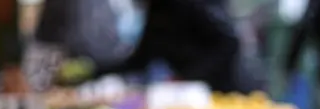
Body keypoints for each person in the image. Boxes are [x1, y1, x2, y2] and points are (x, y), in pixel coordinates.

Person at [35, 0, 262, 93]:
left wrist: (189, 77)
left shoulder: (185, 4)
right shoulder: (156, 12)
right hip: (194, 93)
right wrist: (91, 73)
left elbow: (228, 41)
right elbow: (140, 59)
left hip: (230, 89)